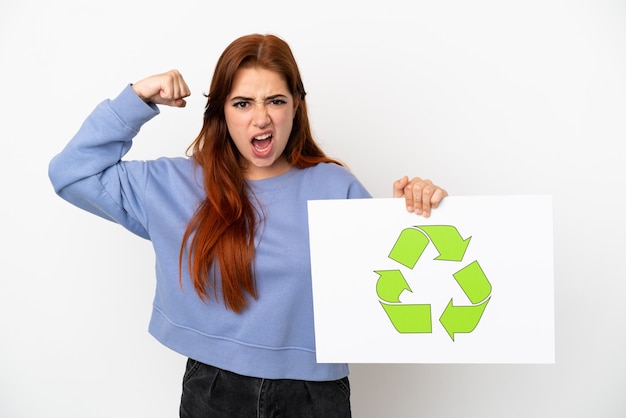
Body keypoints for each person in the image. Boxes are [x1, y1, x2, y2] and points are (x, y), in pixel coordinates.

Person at [48, 33, 447, 417]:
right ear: (221, 110)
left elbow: (382, 287)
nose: (261, 118)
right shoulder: (172, 185)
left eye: (275, 100)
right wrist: (135, 99)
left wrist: (410, 218)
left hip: (314, 395)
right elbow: (71, 173)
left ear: (296, 106)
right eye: (242, 103)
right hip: (213, 390)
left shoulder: (334, 185)